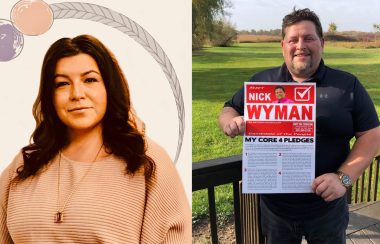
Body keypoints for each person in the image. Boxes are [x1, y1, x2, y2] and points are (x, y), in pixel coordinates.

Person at [0, 34, 191, 243]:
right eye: (62, 84)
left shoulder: (146, 160)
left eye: (90, 80)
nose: (77, 94)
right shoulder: (26, 163)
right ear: (50, 96)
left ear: (108, 87)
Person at [219, 8, 380, 244]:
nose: (300, 45)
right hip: (276, 211)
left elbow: (371, 134)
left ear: (322, 43)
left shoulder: (347, 85)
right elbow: (228, 108)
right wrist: (229, 122)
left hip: (328, 208)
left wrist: (344, 178)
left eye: (309, 38)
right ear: (283, 45)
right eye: (293, 39)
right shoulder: (261, 83)